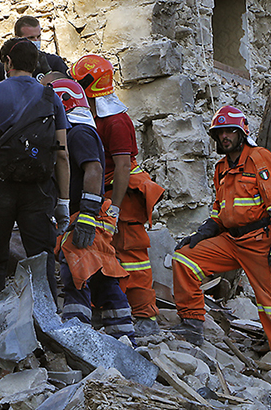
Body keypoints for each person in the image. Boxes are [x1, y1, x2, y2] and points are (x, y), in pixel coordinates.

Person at [171, 105, 271, 393]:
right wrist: (204, 231)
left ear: (242, 133)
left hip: (260, 242)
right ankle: (192, 328)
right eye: (220, 133)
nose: (225, 137)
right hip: (231, 240)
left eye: (230, 131)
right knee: (184, 259)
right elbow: (221, 211)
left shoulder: (259, 158)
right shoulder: (221, 168)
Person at [0, 37, 70, 311]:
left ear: (7, 62)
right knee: (41, 256)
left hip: (0, 184)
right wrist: (64, 202)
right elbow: (62, 153)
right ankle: (46, 318)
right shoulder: (51, 97)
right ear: (35, 65)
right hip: (39, 188)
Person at [70, 54, 164, 337]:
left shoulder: (116, 121)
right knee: (107, 252)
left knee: (133, 254)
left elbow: (123, 165)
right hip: (108, 191)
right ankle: (113, 310)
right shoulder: (97, 113)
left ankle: (145, 315)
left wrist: (115, 209)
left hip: (124, 192)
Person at [47, 77, 135, 340]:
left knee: (76, 272)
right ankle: (123, 336)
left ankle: (78, 332)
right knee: (102, 275)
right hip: (89, 215)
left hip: (85, 216)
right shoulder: (80, 129)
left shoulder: (79, 132)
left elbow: (94, 168)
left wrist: (86, 213)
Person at [0, 16, 68, 84]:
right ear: (18, 39)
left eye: (38, 36)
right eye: (31, 38)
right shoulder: (5, 66)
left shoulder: (54, 62)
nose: (36, 40)